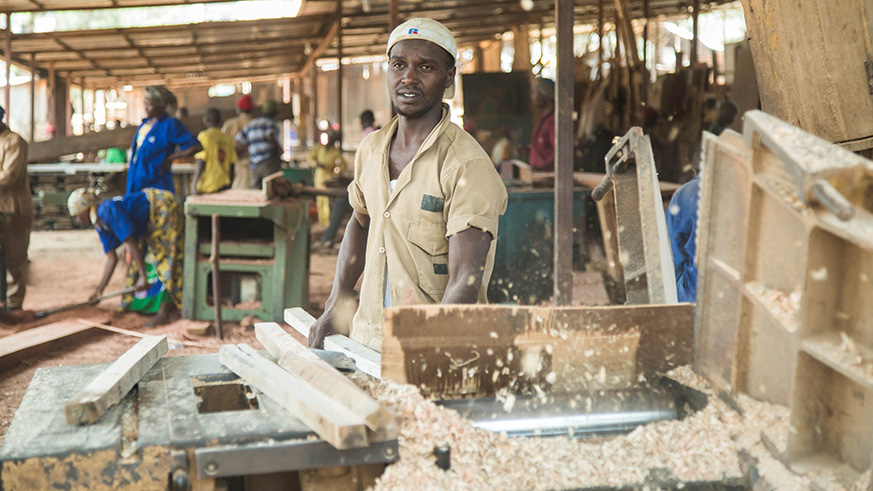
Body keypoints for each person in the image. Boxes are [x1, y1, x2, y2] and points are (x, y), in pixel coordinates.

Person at [308, 17, 508, 351]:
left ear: (448, 77)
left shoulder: (465, 165)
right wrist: (336, 303)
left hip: (430, 346)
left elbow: (464, 278)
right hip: (368, 340)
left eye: (425, 67)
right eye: (398, 64)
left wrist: (431, 352)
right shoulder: (371, 150)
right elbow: (360, 222)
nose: (408, 78)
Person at [67, 187, 184, 326]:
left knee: (165, 261)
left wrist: (143, 276)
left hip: (162, 206)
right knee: (135, 266)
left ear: (86, 209)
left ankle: (165, 311)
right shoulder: (99, 224)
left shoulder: (106, 210)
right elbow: (112, 258)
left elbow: (130, 242)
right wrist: (99, 290)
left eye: (78, 214)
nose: (78, 219)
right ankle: (136, 306)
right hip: (148, 223)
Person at [127, 86, 201, 195]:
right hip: (136, 180)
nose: (146, 107)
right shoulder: (144, 125)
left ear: (161, 106)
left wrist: (168, 158)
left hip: (156, 182)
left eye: (150, 105)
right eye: (145, 104)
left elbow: (195, 147)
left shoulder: (169, 124)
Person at [0, 106, 32, 310]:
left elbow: (9, 177)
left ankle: (13, 306)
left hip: (13, 207)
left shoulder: (14, 141)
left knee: (14, 257)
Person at [235, 99, 283, 189]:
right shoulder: (271, 123)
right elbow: (270, 135)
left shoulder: (252, 123)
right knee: (271, 189)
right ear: (276, 112)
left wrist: (248, 152)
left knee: (256, 190)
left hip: (254, 164)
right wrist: (279, 149)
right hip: (269, 162)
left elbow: (239, 139)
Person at [192, 108, 237, 195]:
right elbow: (232, 165)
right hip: (224, 184)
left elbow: (201, 161)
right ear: (220, 121)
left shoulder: (204, 136)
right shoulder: (227, 138)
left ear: (205, 120)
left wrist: (194, 185)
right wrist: (230, 183)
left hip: (208, 185)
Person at [310, 129, 347, 227]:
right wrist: (316, 164)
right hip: (319, 177)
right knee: (319, 200)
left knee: (326, 201)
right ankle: (321, 221)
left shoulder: (335, 152)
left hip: (328, 179)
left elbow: (342, 165)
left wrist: (336, 174)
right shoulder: (319, 148)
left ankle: (327, 223)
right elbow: (310, 157)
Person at [222, 95, 255, 190]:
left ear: (238, 109)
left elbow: (223, 145)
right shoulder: (256, 123)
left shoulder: (230, 123)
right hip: (253, 166)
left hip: (233, 165)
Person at [529, 77, 555, 171]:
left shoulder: (554, 121)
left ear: (544, 94)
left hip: (548, 176)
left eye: (535, 93)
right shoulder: (543, 120)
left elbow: (559, 153)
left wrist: (541, 167)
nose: (532, 97)